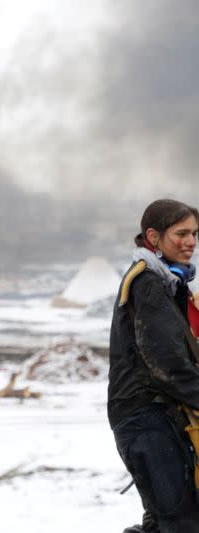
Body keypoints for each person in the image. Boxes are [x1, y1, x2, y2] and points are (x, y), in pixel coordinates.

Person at [109, 198, 199, 533]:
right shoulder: (147, 284)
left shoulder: (168, 283)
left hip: (157, 416)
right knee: (180, 523)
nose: (191, 241)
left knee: (166, 521)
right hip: (144, 418)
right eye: (182, 233)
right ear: (154, 236)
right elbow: (167, 364)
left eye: (195, 233)